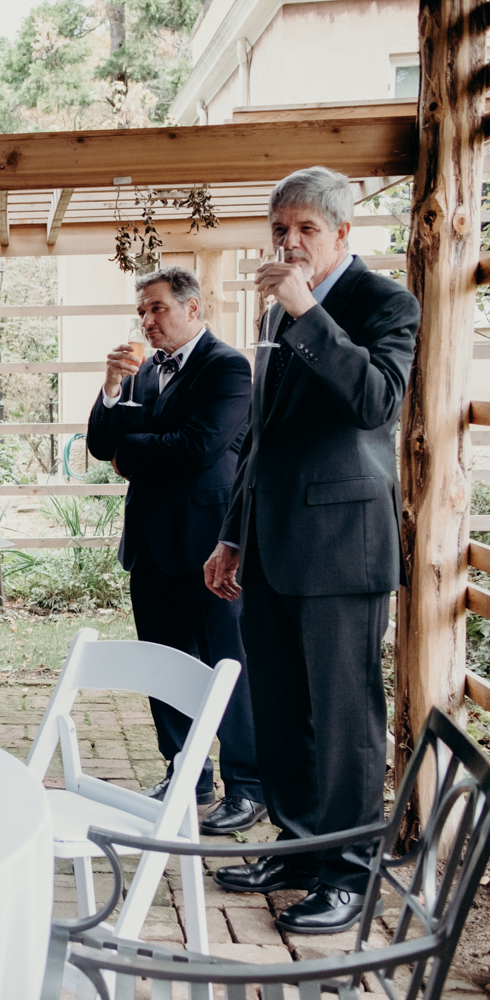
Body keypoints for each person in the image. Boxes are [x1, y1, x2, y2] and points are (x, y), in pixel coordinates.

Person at [204, 166, 418, 934]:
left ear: (342, 234)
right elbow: (261, 435)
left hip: (342, 546)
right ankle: (298, 849)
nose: (289, 244)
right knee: (285, 709)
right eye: (280, 231)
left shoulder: (384, 304)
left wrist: (306, 312)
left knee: (345, 718)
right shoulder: (273, 313)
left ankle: (351, 875)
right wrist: (233, 533)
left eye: (305, 230)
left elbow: (376, 402)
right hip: (269, 541)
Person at [86, 266, 265, 835]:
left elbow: (199, 448)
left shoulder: (228, 367)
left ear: (193, 308)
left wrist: (129, 454)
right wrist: (111, 389)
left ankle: (247, 785)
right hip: (151, 544)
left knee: (226, 663)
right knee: (163, 665)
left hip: (212, 545)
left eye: (157, 308)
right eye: (142, 310)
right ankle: (187, 770)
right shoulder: (140, 373)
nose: (147, 320)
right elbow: (98, 446)